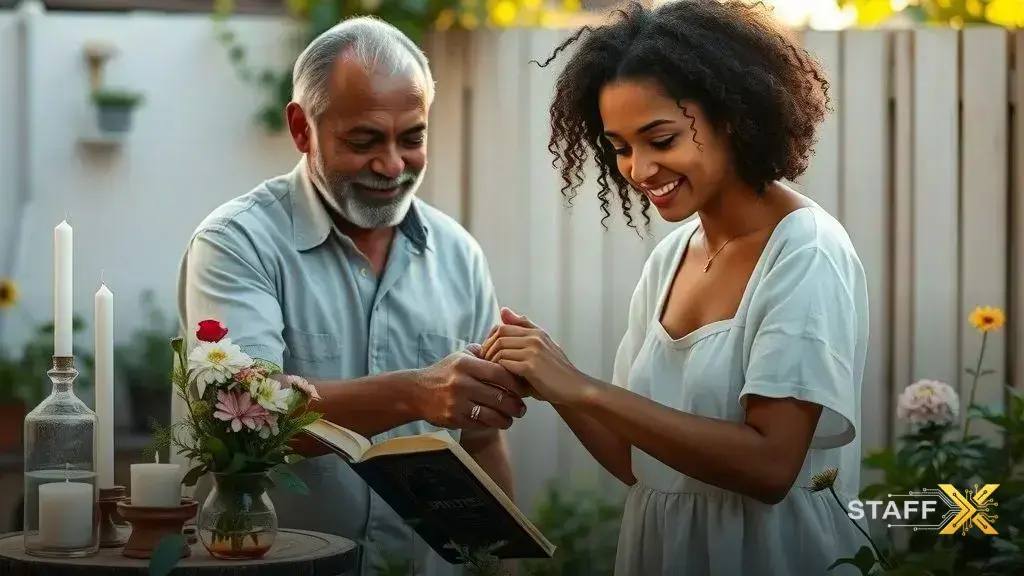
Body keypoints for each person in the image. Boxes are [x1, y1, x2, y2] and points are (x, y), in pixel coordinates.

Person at [481, 1, 869, 574]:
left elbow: (770, 467)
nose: (638, 169)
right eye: (619, 147)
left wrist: (583, 388)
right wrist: (552, 379)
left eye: (660, 139)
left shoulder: (805, 251)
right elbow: (639, 462)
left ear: (731, 116)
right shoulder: (671, 258)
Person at [175, 16, 527, 576]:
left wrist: (506, 569)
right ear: (301, 128)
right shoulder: (237, 243)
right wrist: (414, 393)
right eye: (363, 140)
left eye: (412, 138)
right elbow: (245, 417)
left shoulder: (460, 255)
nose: (392, 165)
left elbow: (480, 441)